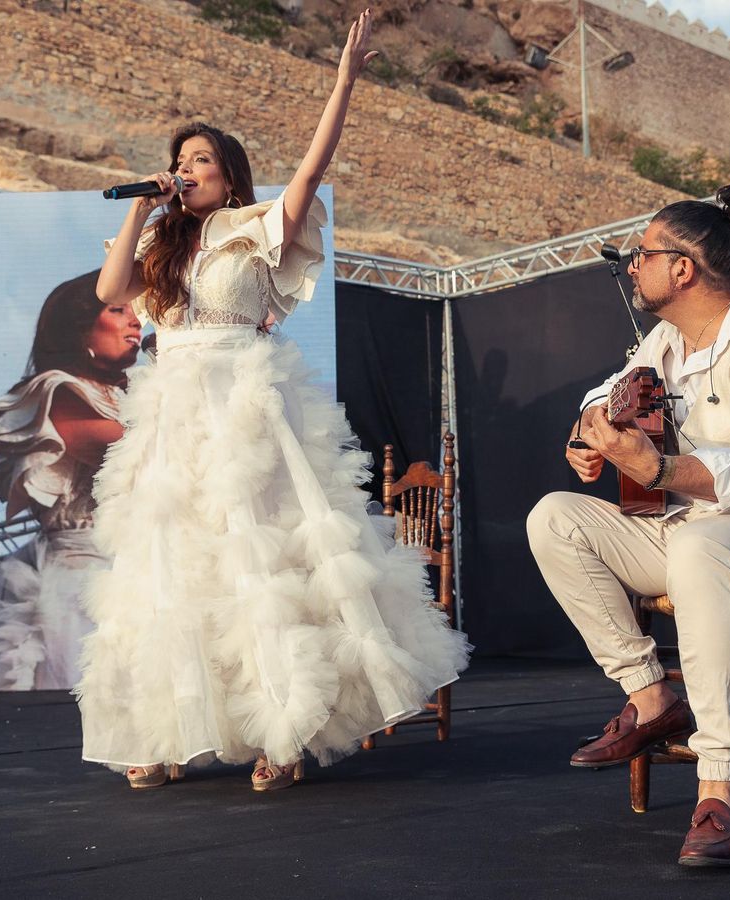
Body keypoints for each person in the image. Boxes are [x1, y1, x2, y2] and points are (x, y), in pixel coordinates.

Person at [76, 9, 469, 792]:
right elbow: (108, 289)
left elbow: (314, 173)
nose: (187, 170)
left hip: (243, 406)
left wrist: (344, 82)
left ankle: (284, 731)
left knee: (261, 561)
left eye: (201, 161)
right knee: (176, 567)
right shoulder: (162, 244)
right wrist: (140, 207)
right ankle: (162, 730)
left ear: (228, 174)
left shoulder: (257, 228)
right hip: (174, 412)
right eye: (179, 161)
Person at [526, 187, 730, 867]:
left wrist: (660, 467)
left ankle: (724, 790)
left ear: (683, 270)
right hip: (695, 532)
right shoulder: (667, 341)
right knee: (554, 517)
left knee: (703, 545)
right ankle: (651, 698)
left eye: (643, 253)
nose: (632, 266)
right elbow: (604, 393)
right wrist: (592, 433)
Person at [0, 270, 142, 691]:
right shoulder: (57, 390)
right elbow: (121, 447)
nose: (136, 321)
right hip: (84, 580)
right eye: (118, 311)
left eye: (136, 311)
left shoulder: (136, 395)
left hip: (141, 570)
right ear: (81, 332)